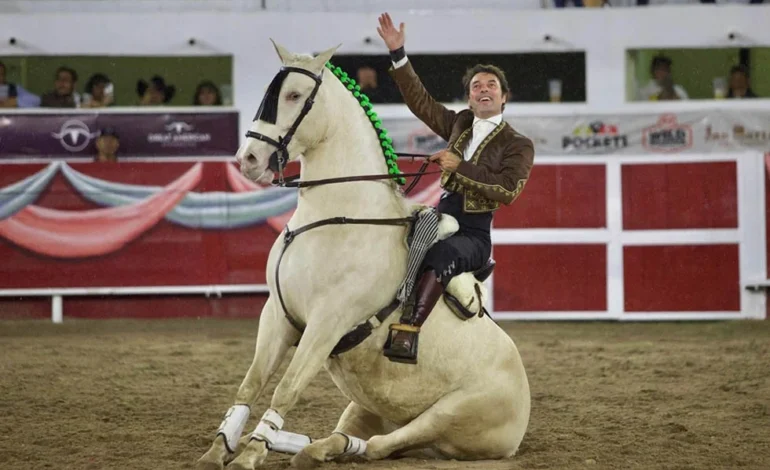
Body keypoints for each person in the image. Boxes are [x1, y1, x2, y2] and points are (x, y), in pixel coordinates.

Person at [377, 13, 535, 363]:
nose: (483, 89)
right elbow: (421, 101)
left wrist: (457, 166)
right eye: (476, 86)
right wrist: (398, 54)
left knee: (442, 254)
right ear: (469, 97)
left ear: (504, 97)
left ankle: (409, 330)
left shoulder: (518, 144)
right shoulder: (460, 123)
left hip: (473, 235)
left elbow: (509, 190)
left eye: (491, 85)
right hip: (441, 217)